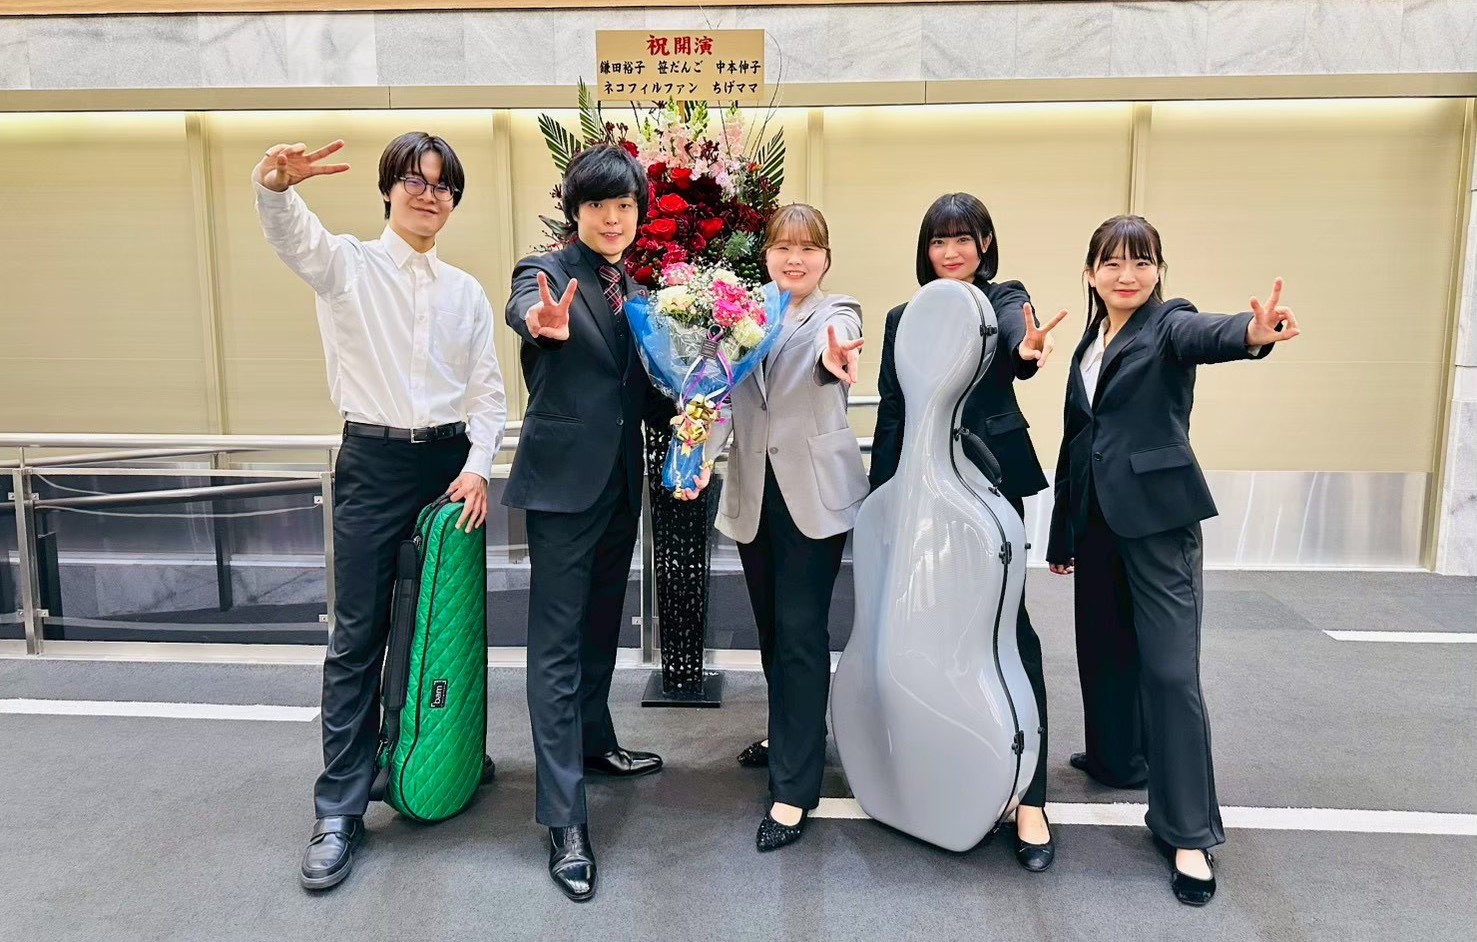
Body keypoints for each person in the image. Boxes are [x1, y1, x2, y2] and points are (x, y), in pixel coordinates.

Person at [253, 132, 506, 891]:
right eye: (414, 181)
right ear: (389, 190)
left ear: (454, 201)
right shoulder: (348, 265)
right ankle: (340, 805)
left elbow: (488, 393)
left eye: (442, 185)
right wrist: (274, 188)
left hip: (448, 469)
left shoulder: (464, 291)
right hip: (372, 462)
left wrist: (477, 467)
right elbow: (292, 236)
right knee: (360, 635)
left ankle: (440, 753)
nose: (429, 195)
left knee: (444, 626)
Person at [1046, 214, 1299, 905]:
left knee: (1168, 672)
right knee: (1103, 649)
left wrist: (1252, 334)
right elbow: (1077, 439)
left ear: (1159, 270)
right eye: (1112, 262)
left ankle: (1186, 833)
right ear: (1090, 272)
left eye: (1142, 261)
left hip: (1158, 523)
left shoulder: (1167, 325)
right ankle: (1115, 758)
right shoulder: (1089, 342)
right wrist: (1062, 534)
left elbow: (1206, 335)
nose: (1126, 274)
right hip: (1097, 521)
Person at [868, 193, 1064, 871]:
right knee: (924, 620)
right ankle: (940, 758)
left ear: (985, 245)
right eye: (938, 241)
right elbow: (893, 410)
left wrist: (1027, 351)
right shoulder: (903, 317)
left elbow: (1015, 336)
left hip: (987, 481)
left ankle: (1030, 797)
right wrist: (883, 503)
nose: (950, 252)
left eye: (963, 239)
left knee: (1005, 624)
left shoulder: (1003, 298)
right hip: (920, 489)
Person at [503, 143, 675, 902]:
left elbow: (640, 394)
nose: (613, 217)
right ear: (575, 211)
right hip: (561, 489)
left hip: (617, 487)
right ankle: (563, 817)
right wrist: (539, 322)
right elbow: (527, 310)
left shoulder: (635, 290)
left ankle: (595, 741)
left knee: (603, 624)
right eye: (599, 204)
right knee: (556, 646)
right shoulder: (545, 273)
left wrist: (700, 394)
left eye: (625, 205)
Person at [710, 203, 868, 851]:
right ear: (766, 255)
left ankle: (794, 790)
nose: (794, 258)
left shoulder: (837, 312)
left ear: (825, 259)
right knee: (773, 630)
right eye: (782, 247)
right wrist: (695, 458)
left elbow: (838, 347)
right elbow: (718, 394)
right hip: (755, 491)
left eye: (807, 248)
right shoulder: (743, 315)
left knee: (801, 631)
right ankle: (793, 733)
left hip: (813, 496)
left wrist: (835, 358)